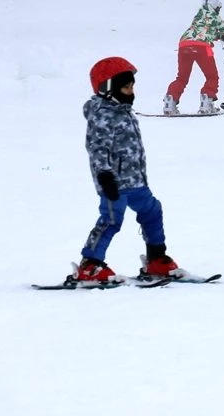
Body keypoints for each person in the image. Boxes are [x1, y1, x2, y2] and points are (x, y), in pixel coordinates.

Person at [73, 57, 186, 283]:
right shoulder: (103, 114)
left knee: (152, 211)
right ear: (108, 89)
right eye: (126, 87)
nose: (131, 91)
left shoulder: (123, 111)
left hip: (135, 181)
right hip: (114, 184)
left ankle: (156, 258)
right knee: (111, 220)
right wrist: (105, 176)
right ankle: (90, 265)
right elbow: (97, 148)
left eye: (132, 86)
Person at [164, 0, 224, 115]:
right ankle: (206, 103)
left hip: (184, 45)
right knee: (212, 77)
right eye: (218, 9)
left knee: (181, 78)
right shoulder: (215, 18)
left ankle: (170, 101)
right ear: (215, 7)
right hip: (202, 48)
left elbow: (202, 31)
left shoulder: (198, 16)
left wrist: (216, 35)